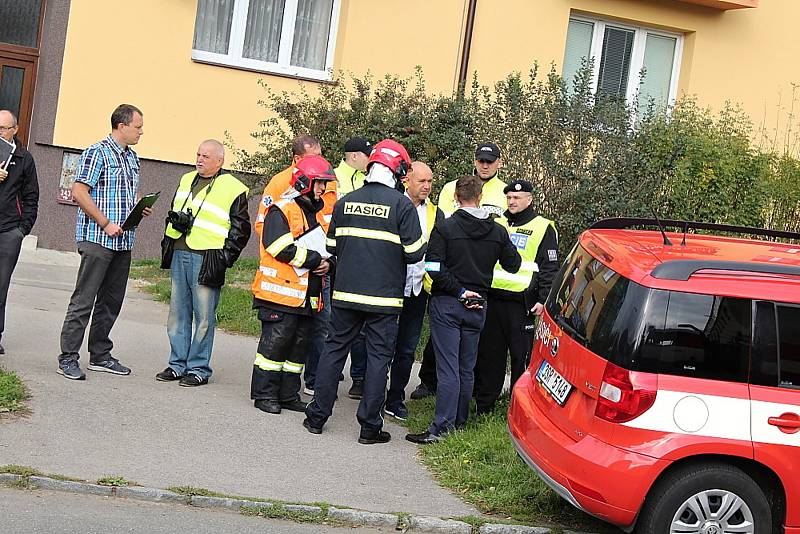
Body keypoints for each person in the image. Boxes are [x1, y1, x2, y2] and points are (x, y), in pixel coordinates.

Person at [304, 139, 426, 445]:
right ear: (397, 169)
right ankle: (369, 427)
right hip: (384, 300)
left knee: (334, 351)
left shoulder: (346, 202)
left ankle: (317, 417)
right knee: (378, 359)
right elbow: (414, 254)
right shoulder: (402, 206)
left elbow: (331, 248)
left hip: (345, 294)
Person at [406, 175, 520, 444]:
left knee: (448, 369)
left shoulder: (446, 227)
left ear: (456, 197)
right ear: (480, 197)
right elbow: (513, 264)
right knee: (466, 367)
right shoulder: (497, 231)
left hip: (449, 301)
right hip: (479, 302)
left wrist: (458, 290)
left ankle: (441, 428)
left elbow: (432, 267)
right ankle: (459, 422)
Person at [57, 104, 150, 380]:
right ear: (121, 126)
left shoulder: (132, 158)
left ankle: (100, 355)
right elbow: (79, 191)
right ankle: (68, 357)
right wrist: (104, 222)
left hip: (124, 241)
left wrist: (138, 205)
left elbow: (124, 191)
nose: (141, 132)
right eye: (138, 126)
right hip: (98, 238)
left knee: (111, 301)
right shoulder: (97, 152)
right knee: (84, 299)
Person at [410, 142, 508, 400]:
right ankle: (431, 386)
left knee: (463, 356)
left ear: (499, 162)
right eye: (481, 160)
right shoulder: (449, 188)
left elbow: (506, 241)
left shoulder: (504, 192)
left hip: (480, 281)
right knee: (443, 347)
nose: (485, 165)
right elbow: (438, 223)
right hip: (447, 277)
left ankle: (447, 417)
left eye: (490, 161)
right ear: (474, 161)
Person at [156, 140, 250, 386]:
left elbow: (241, 230)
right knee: (178, 313)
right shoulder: (187, 179)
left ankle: (198, 368)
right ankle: (177, 365)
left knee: (204, 316)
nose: (199, 159)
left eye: (206, 156)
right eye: (198, 154)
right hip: (179, 251)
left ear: (219, 161)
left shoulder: (233, 187)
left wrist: (225, 258)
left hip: (208, 257)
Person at [250, 155, 335, 413]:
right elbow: (279, 247)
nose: (323, 188)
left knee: (299, 346)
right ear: (305, 182)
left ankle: (288, 394)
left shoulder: (317, 212)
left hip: (307, 293)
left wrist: (328, 263)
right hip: (280, 293)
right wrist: (315, 260)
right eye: (319, 183)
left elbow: (330, 246)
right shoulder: (281, 209)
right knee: (274, 345)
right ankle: (264, 395)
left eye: (324, 183)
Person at [473, 179, 558, 413]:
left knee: (521, 357)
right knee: (490, 355)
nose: (512, 201)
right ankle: (484, 404)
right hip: (494, 298)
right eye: (509, 197)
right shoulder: (497, 223)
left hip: (522, 303)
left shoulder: (543, 227)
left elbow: (549, 267)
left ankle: (519, 405)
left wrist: (543, 299)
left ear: (529, 200)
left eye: (517, 198)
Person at [309, 137, 372, 398]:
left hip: (357, 260)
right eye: (368, 155)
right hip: (331, 256)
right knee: (328, 320)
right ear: (354, 156)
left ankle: (357, 376)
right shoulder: (332, 178)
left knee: (358, 323)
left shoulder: (365, 180)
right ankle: (322, 374)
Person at [384, 161, 443, 421]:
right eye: (422, 181)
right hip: (389, 286)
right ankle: (370, 391)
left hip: (418, 288)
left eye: (430, 181)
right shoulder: (392, 204)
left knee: (407, 349)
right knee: (381, 344)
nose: (427, 187)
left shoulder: (435, 213)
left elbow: (436, 252)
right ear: (407, 179)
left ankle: (395, 399)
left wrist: (428, 271)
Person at [0, 110, 39, 355]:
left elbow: (31, 197)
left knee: (1, 286)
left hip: (9, 230)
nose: (0, 133)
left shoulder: (24, 158)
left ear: (15, 130)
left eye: (4, 128)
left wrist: (22, 229)